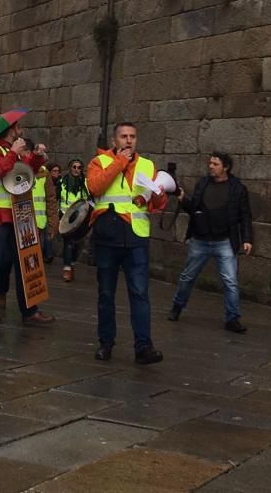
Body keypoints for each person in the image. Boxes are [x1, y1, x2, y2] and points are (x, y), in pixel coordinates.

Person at [87, 122, 166, 364]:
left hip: (136, 237)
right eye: (124, 136)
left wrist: (159, 195)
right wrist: (119, 162)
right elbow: (95, 186)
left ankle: (144, 346)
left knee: (140, 293)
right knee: (106, 293)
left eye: (132, 136)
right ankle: (106, 343)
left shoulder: (147, 165)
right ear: (114, 141)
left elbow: (157, 202)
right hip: (107, 236)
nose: (128, 141)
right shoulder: (99, 162)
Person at [0, 112, 55, 326]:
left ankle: (29, 311)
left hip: (17, 215)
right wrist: (13, 152)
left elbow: (27, 171)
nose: (21, 129)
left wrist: (36, 156)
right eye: (17, 126)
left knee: (24, 264)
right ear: (10, 129)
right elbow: (0, 170)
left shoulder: (14, 153)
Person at [168, 152, 253, 333]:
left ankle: (232, 318)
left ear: (225, 167)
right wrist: (183, 199)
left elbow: (245, 215)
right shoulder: (203, 184)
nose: (211, 166)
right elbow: (194, 208)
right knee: (188, 277)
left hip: (224, 241)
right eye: (210, 163)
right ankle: (177, 307)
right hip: (201, 239)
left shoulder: (237, 189)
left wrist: (247, 239)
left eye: (215, 164)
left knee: (230, 281)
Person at [0, 139, 58, 309]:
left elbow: (51, 199)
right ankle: (2, 291)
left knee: (30, 265)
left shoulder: (43, 172)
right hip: (14, 220)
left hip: (33, 223)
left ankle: (30, 307)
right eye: (23, 153)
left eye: (26, 153)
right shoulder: (13, 167)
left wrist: (53, 223)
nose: (24, 156)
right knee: (6, 262)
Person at [59, 158, 90, 282]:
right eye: (74, 167)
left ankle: (72, 263)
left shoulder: (85, 183)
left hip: (81, 219)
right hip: (65, 217)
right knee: (69, 242)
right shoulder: (62, 182)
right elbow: (55, 198)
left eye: (79, 167)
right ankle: (67, 268)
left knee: (78, 243)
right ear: (70, 168)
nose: (76, 170)